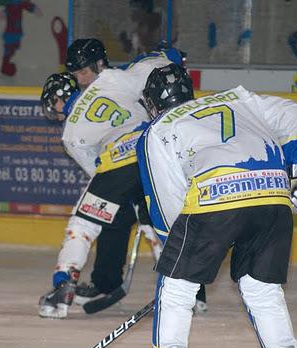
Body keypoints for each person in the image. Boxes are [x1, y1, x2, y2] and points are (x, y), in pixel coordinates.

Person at [133, 63, 297, 348]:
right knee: (262, 291)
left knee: (176, 288)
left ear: (153, 103)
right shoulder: (237, 99)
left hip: (214, 198)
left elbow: (168, 205)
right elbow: (294, 114)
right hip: (273, 196)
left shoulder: (159, 130)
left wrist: (180, 262)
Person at [63, 38, 208, 313]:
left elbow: (166, 68)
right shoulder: (114, 84)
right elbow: (93, 163)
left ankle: (192, 291)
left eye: (84, 72)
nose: (81, 80)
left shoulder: (125, 78)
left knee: (164, 221)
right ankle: (105, 282)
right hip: (133, 164)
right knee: (113, 222)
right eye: (76, 75)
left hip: (154, 157)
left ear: (100, 65)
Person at [38, 40, 180, 319]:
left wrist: (116, 195)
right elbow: (153, 65)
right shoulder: (114, 78)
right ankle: (187, 291)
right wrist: (170, 54)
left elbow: (98, 171)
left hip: (117, 163)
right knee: (157, 223)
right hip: (153, 154)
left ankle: (63, 287)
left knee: (83, 224)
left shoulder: (70, 134)